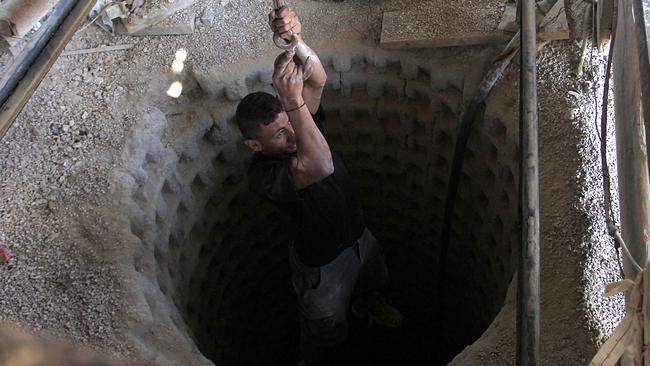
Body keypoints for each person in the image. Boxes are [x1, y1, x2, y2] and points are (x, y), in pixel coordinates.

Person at [235, 6, 401, 365]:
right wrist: (293, 104)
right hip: (322, 269)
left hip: (359, 239)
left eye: (289, 124)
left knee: (376, 280)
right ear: (255, 146)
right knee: (324, 329)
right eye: (279, 135)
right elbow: (319, 166)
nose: (293, 135)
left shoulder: (298, 125)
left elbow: (318, 80)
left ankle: (368, 306)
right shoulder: (264, 174)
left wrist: (297, 42)